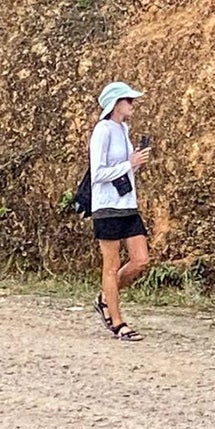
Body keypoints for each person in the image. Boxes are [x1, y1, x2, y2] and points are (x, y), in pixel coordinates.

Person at [91, 80, 152, 341]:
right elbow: (98, 173)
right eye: (129, 101)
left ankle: (106, 297)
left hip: (127, 204)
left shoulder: (123, 129)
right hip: (107, 207)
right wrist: (129, 163)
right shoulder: (102, 130)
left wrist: (135, 163)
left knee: (141, 260)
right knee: (111, 265)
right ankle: (117, 322)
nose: (132, 105)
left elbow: (124, 169)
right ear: (116, 104)